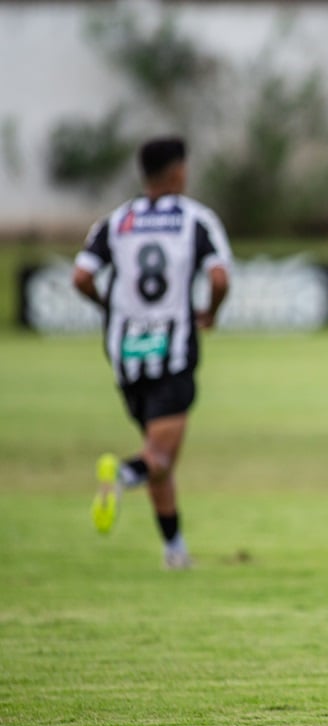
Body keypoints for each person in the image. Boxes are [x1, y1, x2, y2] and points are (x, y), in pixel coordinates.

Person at [73, 136, 231, 568]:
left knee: (157, 448)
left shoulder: (116, 221)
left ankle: (174, 549)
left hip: (125, 351)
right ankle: (123, 475)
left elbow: (81, 277)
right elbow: (218, 279)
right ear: (178, 171)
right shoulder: (195, 220)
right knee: (158, 456)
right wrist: (211, 313)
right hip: (173, 348)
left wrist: (109, 307)